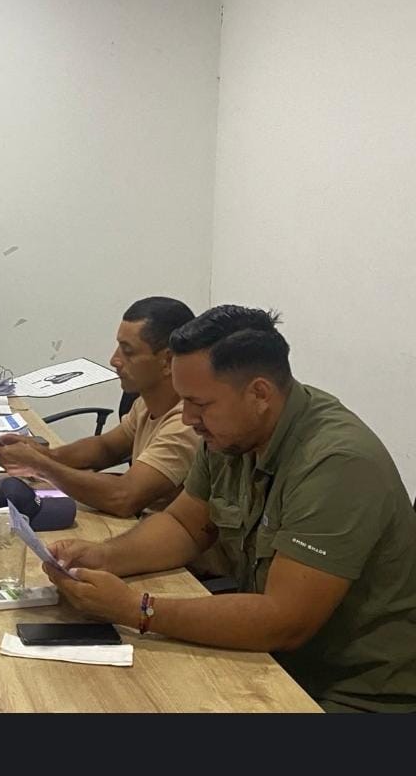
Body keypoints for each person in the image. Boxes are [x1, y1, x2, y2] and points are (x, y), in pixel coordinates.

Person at [41, 305, 416, 712]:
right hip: (268, 662)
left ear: (259, 394)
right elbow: (184, 526)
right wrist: (102, 557)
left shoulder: (336, 463)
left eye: (199, 404)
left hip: (351, 692)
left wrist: (139, 609)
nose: (188, 418)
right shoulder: (231, 434)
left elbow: (284, 620)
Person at [0, 297, 198, 518]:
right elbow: (105, 448)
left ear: (167, 361)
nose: (114, 360)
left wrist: (41, 464)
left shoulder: (186, 424)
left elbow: (123, 498)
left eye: (128, 351)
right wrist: (46, 454)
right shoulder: (146, 403)